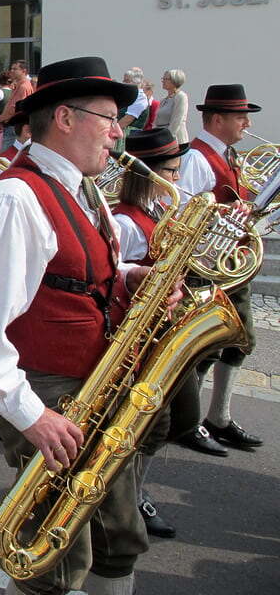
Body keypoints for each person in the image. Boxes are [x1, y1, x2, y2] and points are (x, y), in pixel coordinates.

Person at [0, 56, 165, 595]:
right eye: (109, 118)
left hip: (94, 382)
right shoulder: (14, 198)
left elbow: (72, 269)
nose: (118, 133)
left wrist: (130, 276)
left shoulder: (83, 187)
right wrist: (32, 416)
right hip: (51, 393)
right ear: (64, 118)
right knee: (50, 559)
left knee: (118, 539)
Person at [111, 128, 191, 540]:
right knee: (147, 424)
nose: (178, 179)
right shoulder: (125, 222)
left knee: (173, 420)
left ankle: (132, 492)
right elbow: (111, 277)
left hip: (162, 329)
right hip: (136, 335)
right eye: (172, 172)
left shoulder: (161, 212)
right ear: (152, 176)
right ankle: (130, 497)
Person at [176, 84, 263, 452]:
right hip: (207, 266)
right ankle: (189, 422)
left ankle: (219, 417)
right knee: (204, 346)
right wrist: (227, 215)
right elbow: (184, 215)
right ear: (216, 120)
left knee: (241, 339)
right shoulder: (197, 158)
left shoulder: (228, 154)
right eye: (240, 116)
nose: (247, 123)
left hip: (231, 262)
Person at [0, 59, 34, 150]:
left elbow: (14, 108)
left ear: (24, 71)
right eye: (11, 69)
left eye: (15, 69)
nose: (12, 71)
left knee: (6, 155)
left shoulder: (23, 87)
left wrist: (0, 120)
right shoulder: (20, 85)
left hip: (13, 125)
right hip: (14, 125)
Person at [156, 69, 189, 143]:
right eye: (163, 79)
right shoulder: (163, 100)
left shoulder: (181, 96)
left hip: (174, 141)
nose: (163, 81)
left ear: (174, 81)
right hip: (161, 138)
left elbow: (177, 120)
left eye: (166, 79)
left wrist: (167, 138)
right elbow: (156, 121)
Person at [117, 67, 149, 132]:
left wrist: (112, 131)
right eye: (124, 80)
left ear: (135, 82)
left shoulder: (140, 97)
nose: (123, 83)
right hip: (121, 132)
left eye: (126, 81)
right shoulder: (130, 95)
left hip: (130, 135)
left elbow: (127, 120)